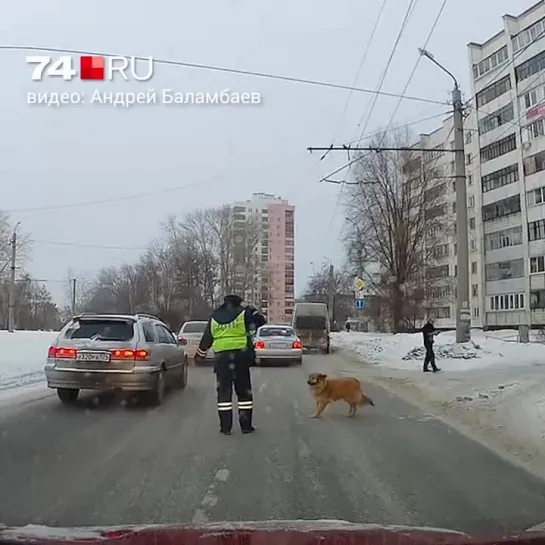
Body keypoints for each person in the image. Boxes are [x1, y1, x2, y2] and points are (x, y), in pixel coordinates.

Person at [195, 295, 265, 435]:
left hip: (222, 359)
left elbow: (207, 337)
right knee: (244, 393)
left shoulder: (214, 316)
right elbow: (260, 322)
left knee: (224, 394)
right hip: (241, 357)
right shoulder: (243, 313)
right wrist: (254, 311)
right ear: (238, 302)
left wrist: (200, 355)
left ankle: (225, 427)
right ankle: (245, 426)